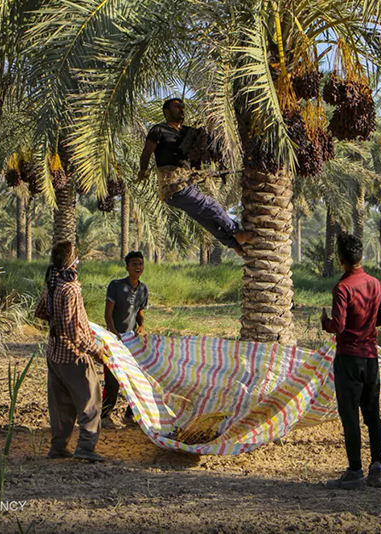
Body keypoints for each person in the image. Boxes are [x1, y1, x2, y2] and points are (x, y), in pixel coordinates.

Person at [137, 98, 254, 256]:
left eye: (182, 107)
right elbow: (146, 153)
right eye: (177, 107)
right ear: (166, 112)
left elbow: (206, 146)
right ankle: (237, 233)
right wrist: (143, 170)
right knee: (211, 205)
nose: (181, 109)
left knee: (206, 220)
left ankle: (235, 246)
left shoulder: (189, 133)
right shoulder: (159, 130)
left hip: (189, 185)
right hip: (174, 188)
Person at [321, 233, 381, 489]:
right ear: (360, 256)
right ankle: (377, 468)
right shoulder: (375, 283)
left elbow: (338, 325)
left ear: (341, 260)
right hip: (371, 358)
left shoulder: (342, 287)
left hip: (349, 358)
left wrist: (325, 323)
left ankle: (354, 471)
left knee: (350, 416)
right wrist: (367, 326)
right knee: (373, 414)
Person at [34, 241, 106, 463]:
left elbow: (41, 312)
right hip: (73, 355)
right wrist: (96, 352)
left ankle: (58, 447)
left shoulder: (52, 283)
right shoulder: (71, 287)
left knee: (60, 404)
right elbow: (73, 331)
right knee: (90, 401)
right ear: (72, 260)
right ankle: (85, 446)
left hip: (54, 353)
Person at [101, 251, 149, 429]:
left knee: (136, 378)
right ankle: (104, 416)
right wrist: (114, 336)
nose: (138, 267)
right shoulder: (116, 286)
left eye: (141, 264)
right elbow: (108, 315)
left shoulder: (143, 289)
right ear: (127, 267)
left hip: (132, 341)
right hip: (113, 339)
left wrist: (142, 327)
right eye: (134, 263)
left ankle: (130, 415)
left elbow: (140, 313)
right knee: (112, 380)